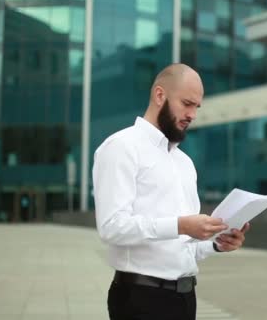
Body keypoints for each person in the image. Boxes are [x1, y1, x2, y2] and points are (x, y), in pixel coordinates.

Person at [92, 63, 250, 320]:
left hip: (185, 298)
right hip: (140, 299)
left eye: (197, 107)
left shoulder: (184, 163)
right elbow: (111, 227)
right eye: (187, 103)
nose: (192, 114)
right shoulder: (121, 147)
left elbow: (184, 246)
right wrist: (181, 225)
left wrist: (217, 244)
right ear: (159, 95)